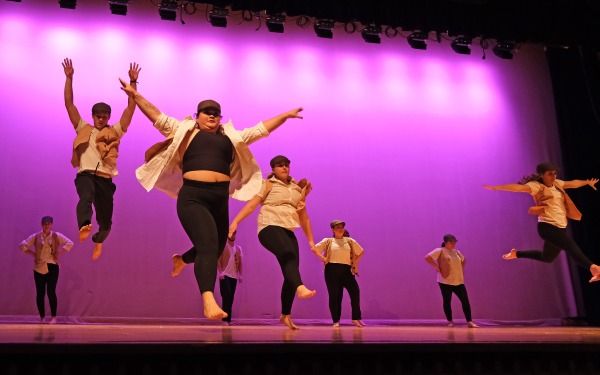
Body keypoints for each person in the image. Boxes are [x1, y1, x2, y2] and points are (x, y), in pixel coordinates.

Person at [119, 80, 304, 320]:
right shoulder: (185, 131)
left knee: (216, 248)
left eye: (216, 113)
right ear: (197, 116)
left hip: (219, 199)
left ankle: (182, 259)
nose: (212, 116)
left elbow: (261, 129)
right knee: (208, 246)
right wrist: (135, 95)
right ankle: (208, 299)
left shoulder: (231, 137)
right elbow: (157, 116)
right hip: (193, 197)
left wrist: (285, 115)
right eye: (207, 112)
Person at [62, 58, 141, 260]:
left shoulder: (114, 132)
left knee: (106, 224)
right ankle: (84, 225)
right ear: (92, 115)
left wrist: (133, 84)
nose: (100, 118)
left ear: (108, 116)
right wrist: (69, 78)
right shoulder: (83, 128)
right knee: (86, 196)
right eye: (97, 115)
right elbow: (69, 104)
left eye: (104, 115)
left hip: (106, 180)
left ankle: (98, 240)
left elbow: (130, 110)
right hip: (86, 175)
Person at [228, 155, 316, 330]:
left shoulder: (297, 188)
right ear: (273, 169)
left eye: (287, 165)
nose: (284, 167)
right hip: (269, 227)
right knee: (288, 255)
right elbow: (252, 205)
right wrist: (235, 221)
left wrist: (312, 242)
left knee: (291, 269)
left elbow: (303, 217)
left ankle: (286, 315)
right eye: (280, 165)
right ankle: (300, 287)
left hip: (288, 229)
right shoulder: (267, 184)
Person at [483, 162, 600, 283]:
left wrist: (587, 182)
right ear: (542, 175)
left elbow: (573, 183)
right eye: (550, 174)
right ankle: (593, 267)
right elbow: (518, 188)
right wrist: (496, 187)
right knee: (570, 245)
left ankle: (516, 254)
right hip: (547, 227)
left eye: (555, 174)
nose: (553, 177)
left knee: (547, 257)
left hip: (560, 227)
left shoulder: (557, 184)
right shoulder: (537, 186)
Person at [19, 216, 74, 324]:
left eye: (48, 223)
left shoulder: (56, 236)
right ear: (41, 224)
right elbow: (22, 246)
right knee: (40, 293)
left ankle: (54, 317)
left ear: (51, 224)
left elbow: (70, 243)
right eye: (44, 223)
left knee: (51, 291)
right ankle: (42, 317)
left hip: (52, 266)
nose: (46, 225)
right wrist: (34, 254)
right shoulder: (36, 236)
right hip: (39, 267)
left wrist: (59, 252)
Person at [313, 220, 365, 328]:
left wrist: (354, 262)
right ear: (333, 230)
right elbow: (314, 249)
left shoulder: (350, 241)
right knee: (335, 296)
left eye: (341, 227)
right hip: (331, 270)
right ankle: (336, 320)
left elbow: (361, 252)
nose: (340, 229)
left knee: (355, 292)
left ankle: (356, 318)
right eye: (337, 227)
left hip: (346, 270)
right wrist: (323, 258)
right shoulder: (328, 241)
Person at [425, 234, 478, 328]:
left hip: (458, 281)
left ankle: (469, 321)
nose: (453, 244)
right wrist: (436, 267)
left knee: (465, 301)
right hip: (445, 281)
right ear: (445, 242)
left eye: (454, 242)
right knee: (447, 301)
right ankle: (450, 321)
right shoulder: (440, 250)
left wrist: (459, 269)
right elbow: (427, 257)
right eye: (451, 242)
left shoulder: (456, 252)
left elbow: (464, 260)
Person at [217, 230, 243, 325]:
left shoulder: (238, 248)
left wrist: (240, 274)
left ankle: (228, 319)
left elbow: (240, 263)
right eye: (231, 233)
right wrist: (220, 272)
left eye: (234, 233)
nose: (233, 235)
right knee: (226, 296)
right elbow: (218, 260)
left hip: (234, 276)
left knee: (231, 298)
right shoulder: (223, 247)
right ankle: (224, 319)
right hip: (225, 275)